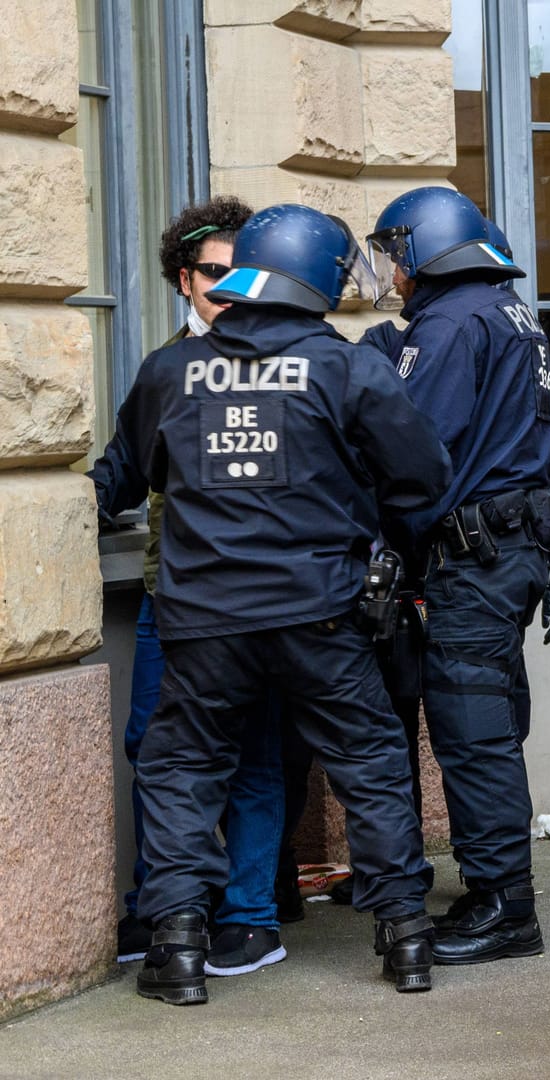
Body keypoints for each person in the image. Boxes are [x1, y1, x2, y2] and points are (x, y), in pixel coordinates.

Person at [88, 203, 451, 1004]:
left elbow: (123, 473)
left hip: (202, 616)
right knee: (371, 766)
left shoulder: (172, 369)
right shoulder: (348, 366)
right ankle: (407, 941)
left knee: (183, 770)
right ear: (317, 275)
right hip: (320, 611)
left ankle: (177, 946)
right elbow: (422, 479)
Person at [362, 186, 550, 967]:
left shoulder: (453, 323)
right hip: (513, 549)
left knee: (471, 728)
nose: (392, 272)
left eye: (397, 253)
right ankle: (495, 885)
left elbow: (415, 448)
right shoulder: (517, 315)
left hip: (472, 556)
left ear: (427, 249)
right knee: (488, 717)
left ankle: (504, 905)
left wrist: (383, 538)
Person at [108, 196, 293, 979]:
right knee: (155, 749)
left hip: (270, 602)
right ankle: (164, 912)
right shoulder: (163, 368)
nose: (228, 289)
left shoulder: (296, 359)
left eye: (243, 273)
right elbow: (120, 471)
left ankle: (248, 917)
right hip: (171, 598)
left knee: (253, 755)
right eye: (214, 273)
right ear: (183, 280)